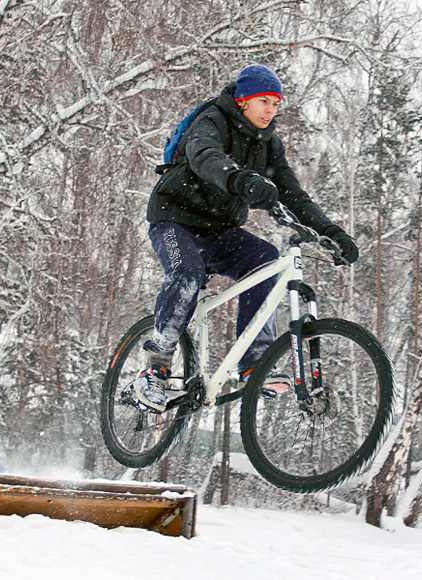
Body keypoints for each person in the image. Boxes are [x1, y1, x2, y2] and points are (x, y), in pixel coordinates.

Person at [139, 64, 358, 412]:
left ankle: (255, 363)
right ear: (243, 101)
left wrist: (330, 231)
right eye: (264, 101)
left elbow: (295, 196)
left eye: (276, 103)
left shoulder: (269, 145)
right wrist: (238, 179)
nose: (271, 110)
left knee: (267, 261)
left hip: (219, 231)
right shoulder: (212, 120)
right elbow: (204, 157)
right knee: (188, 273)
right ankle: (156, 365)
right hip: (173, 221)